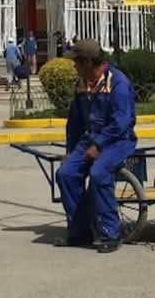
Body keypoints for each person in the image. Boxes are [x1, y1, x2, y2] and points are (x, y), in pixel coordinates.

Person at [55, 39, 137, 254]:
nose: (74, 67)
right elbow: (74, 123)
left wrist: (100, 145)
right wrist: (70, 151)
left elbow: (122, 121)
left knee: (99, 173)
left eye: (77, 62)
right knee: (66, 174)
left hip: (119, 140)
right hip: (89, 140)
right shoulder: (82, 84)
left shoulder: (117, 83)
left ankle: (111, 233)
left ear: (88, 62)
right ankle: (80, 231)